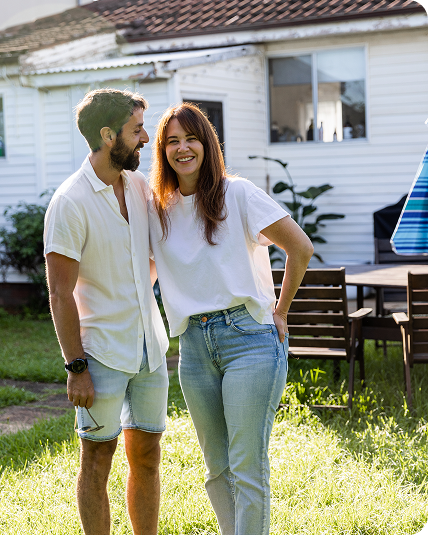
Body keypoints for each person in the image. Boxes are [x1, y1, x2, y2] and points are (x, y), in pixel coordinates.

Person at [148, 102, 313, 535]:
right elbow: (145, 271)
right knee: (216, 469)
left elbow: (300, 248)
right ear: (163, 152)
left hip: (248, 340)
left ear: (207, 143)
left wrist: (280, 311)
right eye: (172, 142)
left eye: (191, 138)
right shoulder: (158, 210)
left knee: (246, 466)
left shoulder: (237, 193)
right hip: (194, 349)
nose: (182, 149)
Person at [44, 88, 169, 535]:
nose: (145, 138)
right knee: (97, 461)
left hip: (151, 350)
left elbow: (152, 256)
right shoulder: (70, 201)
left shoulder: (138, 186)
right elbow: (60, 293)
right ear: (107, 134)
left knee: (149, 456)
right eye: (137, 130)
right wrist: (76, 366)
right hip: (99, 358)